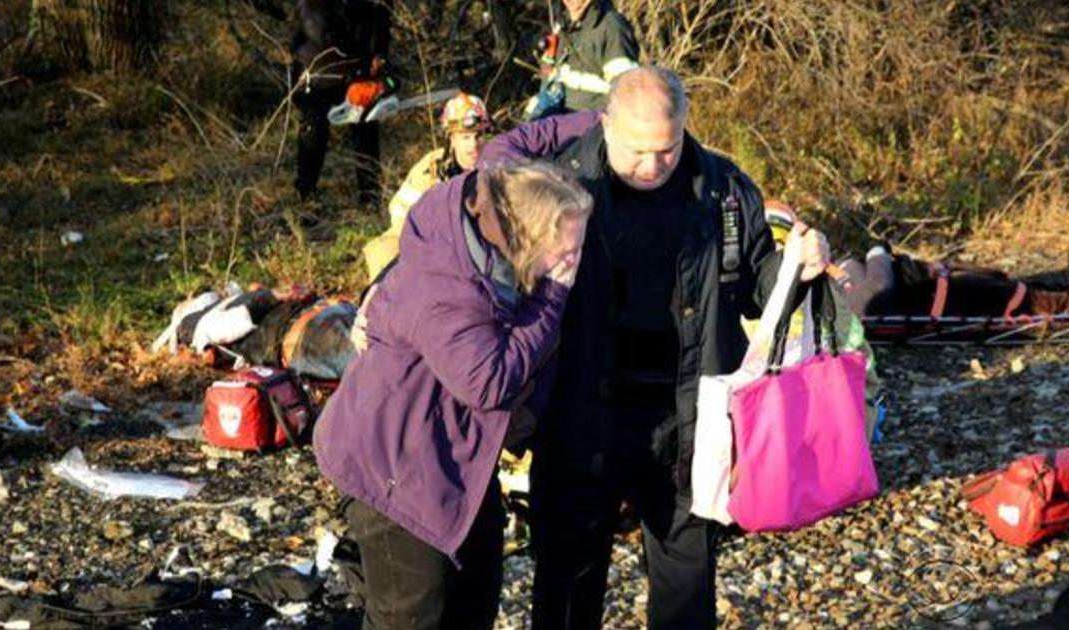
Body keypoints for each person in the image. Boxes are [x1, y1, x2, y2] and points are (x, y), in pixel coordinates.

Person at [478, 66, 831, 630]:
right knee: (567, 579)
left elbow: (762, 285)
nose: (651, 166)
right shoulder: (559, 184)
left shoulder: (725, 190)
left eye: (665, 150)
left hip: (687, 418)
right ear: (606, 126)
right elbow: (492, 275)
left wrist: (801, 264)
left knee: (687, 585)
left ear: (686, 127)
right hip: (581, 413)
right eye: (637, 151)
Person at [314, 161, 592, 630]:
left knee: (475, 598)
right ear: (526, 238)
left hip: (452, 461)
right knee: (413, 615)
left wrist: (597, 118)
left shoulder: (495, 256)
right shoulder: (448, 288)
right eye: (566, 250)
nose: (573, 261)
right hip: (394, 471)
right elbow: (488, 382)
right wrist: (552, 298)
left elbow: (517, 146)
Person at [764, 204, 1069, 321]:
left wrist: (858, 262)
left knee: (1002, 279)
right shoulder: (817, 295)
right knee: (1011, 295)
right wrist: (875, 256)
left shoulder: (824, 273)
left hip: (922, 281)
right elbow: (873, 295)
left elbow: (853, 268)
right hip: (925, 298)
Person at [362, 92, 494, 280]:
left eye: (478, 135)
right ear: (452, 139)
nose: (473, 145)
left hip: (478, 253)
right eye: (465, 137)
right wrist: (422, 244)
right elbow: (400, 210)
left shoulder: (498, 165)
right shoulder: (430, 168)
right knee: (383, 251)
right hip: (428, 246)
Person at [290, 0, 392, 216]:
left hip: (360, 68)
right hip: (319, 67)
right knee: (314, 132)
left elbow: (382, 17)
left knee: (366, 128)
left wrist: (380, 54)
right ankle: (306, 198)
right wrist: (364, 57)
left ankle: (371, 197)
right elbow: (318, 28)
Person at [529, 0, 640, 117]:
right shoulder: (562, 26)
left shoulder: (612, 28)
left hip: (591, 127)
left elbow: (625, 94)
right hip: (554, 123)